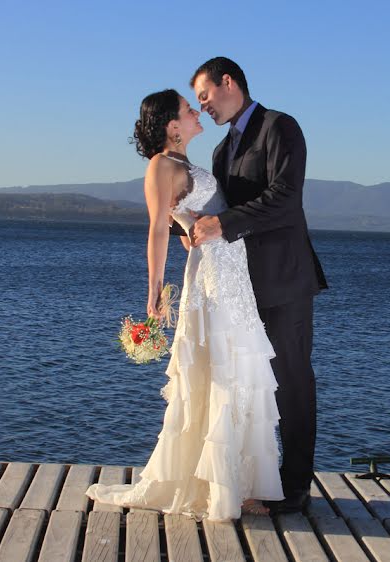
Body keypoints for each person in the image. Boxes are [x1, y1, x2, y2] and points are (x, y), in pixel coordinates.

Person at [85, 89, 283, 521]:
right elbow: (157, 228)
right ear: (173, 125)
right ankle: (221, 490)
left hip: (231, 272)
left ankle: (242, 484)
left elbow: (191, 217)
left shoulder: (186, 165)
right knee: (219, 370)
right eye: (188, 108)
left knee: (241, 370)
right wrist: (155, 288)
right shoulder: (160, 166)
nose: (197, 113)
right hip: (211, 277)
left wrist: (191, 225)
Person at [187, 57, 327, 514]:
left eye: (205, 96)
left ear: (229, 82)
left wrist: (222, 224)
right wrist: (190, 226)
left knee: (291, 380)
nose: (202, 107)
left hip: (285, 278)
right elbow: (222, 209)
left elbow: (285, 200)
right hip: (241, 286)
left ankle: (296, 488)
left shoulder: (280, 127)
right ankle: (255, 478)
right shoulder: (221, 150)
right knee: (248, 383)